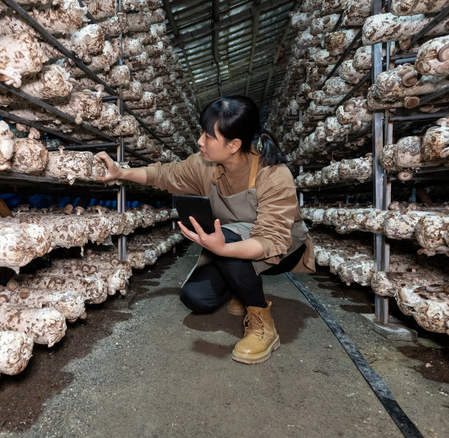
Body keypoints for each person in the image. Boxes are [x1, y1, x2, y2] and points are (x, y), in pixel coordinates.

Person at [96, 95, 315, 365]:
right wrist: (122, 173)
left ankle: (263, 324)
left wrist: (223, 248)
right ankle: (240, 287)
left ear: (234, 144)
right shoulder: (204, 165)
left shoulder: (273, 174)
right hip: (230, 244)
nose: (200, 141)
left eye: (209, 136)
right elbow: (163, 174)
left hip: (282, 249)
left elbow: (272, 239)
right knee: (196, 298)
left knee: (231, 239)